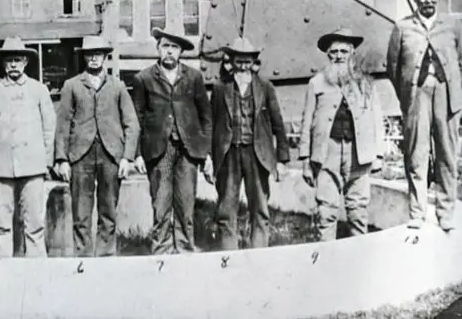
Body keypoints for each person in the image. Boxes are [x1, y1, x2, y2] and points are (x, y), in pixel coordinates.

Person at [387, 0, 462, 231]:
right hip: (416, 96)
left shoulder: (453, 26)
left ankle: (446, 212)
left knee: (447, 154)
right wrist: (408, 97)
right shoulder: (403, 27)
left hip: (447, 95)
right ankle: (417, 214)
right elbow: (393, 67)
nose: (427, 0)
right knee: (416, 154)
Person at [54, 35, 140, 257]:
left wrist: (127, 157)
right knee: (81, 214)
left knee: (108, 212)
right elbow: (62, 124)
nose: (93, 59)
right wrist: (62, 159)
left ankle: (105, 258)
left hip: (111, 154)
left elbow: (132, 124)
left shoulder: (118, 86)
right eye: (89, 55)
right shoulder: (71, 85)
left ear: (104, 57)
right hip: (80, 155)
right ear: (84, 57)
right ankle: (82, 260)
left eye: (98, 54)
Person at [132, 27, 212, 254]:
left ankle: (185, 251)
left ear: (181, 52)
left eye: (174, 47)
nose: (169, 51)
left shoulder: (194, 77)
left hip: (188, 150)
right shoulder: (143, 78)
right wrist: (137, 153)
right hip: (158, 150)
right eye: (165, 46)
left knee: (186, 205)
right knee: (161, 204)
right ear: (157, 49)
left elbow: (206, 116)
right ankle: (161, 254)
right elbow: (136, 117)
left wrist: (204, 151)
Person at [299, 28, 384, 241]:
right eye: (334, 52)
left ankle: (359, 257)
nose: (338, 56)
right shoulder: (316, 83)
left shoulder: (365, 82)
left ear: (352, 53)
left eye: (343, 52)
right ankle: (326, 259)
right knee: (326, 211)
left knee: (357, 210)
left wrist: (379, 155)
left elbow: (376, 118)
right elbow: (307, 121)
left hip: (359, 153)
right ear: (328, 55)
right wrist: (305, 159)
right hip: (328, 152)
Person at [208, 37, 289, 251]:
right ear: (231, 62)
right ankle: (229, 256)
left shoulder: (265, 87)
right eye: (239, 61)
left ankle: (258, 255)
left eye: (247, 61)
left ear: (254, 62)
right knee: (226, 207)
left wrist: (282, 160)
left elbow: (278, 124)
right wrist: (209, 157)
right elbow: (211, 124)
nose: (243, 66)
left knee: (260, 207)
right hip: (229, 155)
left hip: (257, 154)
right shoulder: (219, 88)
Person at [0, 37, 56, 258]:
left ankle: (36, 273)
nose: (13, 65)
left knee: (34, 223)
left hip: (32, 166)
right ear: (3, 63)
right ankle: (3, 272)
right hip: (2, 167)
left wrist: (46, 161)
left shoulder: (39, 90)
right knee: (2, 222)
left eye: (18, 60)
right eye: (9, 60)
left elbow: (49, 127)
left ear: (25, 62)